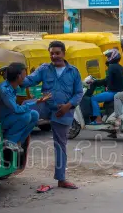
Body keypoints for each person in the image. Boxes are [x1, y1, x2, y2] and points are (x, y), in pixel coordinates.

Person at [21, 41, 82, 189]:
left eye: (57, 53)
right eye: (52, 53)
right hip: (46, 106)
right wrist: (17, 75)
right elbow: (28, 81)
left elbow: (79, 93)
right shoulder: (44, 69)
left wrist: (68, 106)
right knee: (23, 109)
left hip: (64, 111)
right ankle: (14, 140)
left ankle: (61, 179)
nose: (54, 56)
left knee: (60, 145)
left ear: (64, 54)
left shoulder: (73, 72)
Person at [0, 63, 44, 146]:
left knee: (34, 114)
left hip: (10, 116)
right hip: (3, 119)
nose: (25, 77)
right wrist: (34, 102)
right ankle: (10, 141)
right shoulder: (5, 90)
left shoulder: (15, 86)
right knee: (26, 116)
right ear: (18, 76)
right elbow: (16, 109)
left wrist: (36, 101)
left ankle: (19, 141)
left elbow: (26, 85)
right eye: (24, 74)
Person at [88, 49, 123, 124]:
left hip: (113, 92)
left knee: (93, 98)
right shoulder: (120, 67)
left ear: (113, 57)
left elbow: (107, 80)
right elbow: (111, 80)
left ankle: (98, 120)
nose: (107, 58)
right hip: (119, 91)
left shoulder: (112, 67)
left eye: (108, 56)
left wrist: (95, 82)